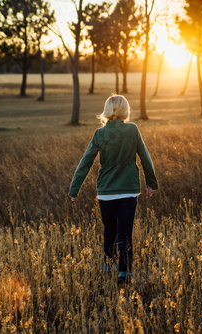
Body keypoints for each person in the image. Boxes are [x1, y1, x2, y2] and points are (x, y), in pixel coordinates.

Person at [68, 95, 158, 285]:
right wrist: (151, 183)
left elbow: (85, 163)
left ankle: (107, 266)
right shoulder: (132, 129)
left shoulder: (99, 134)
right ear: (126, 111)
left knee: (110, 230)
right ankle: (123, 272)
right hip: (128, 191)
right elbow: (145, 157)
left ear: (107, 110)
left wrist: (74, 189)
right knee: (125, 234)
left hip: (105, 192)